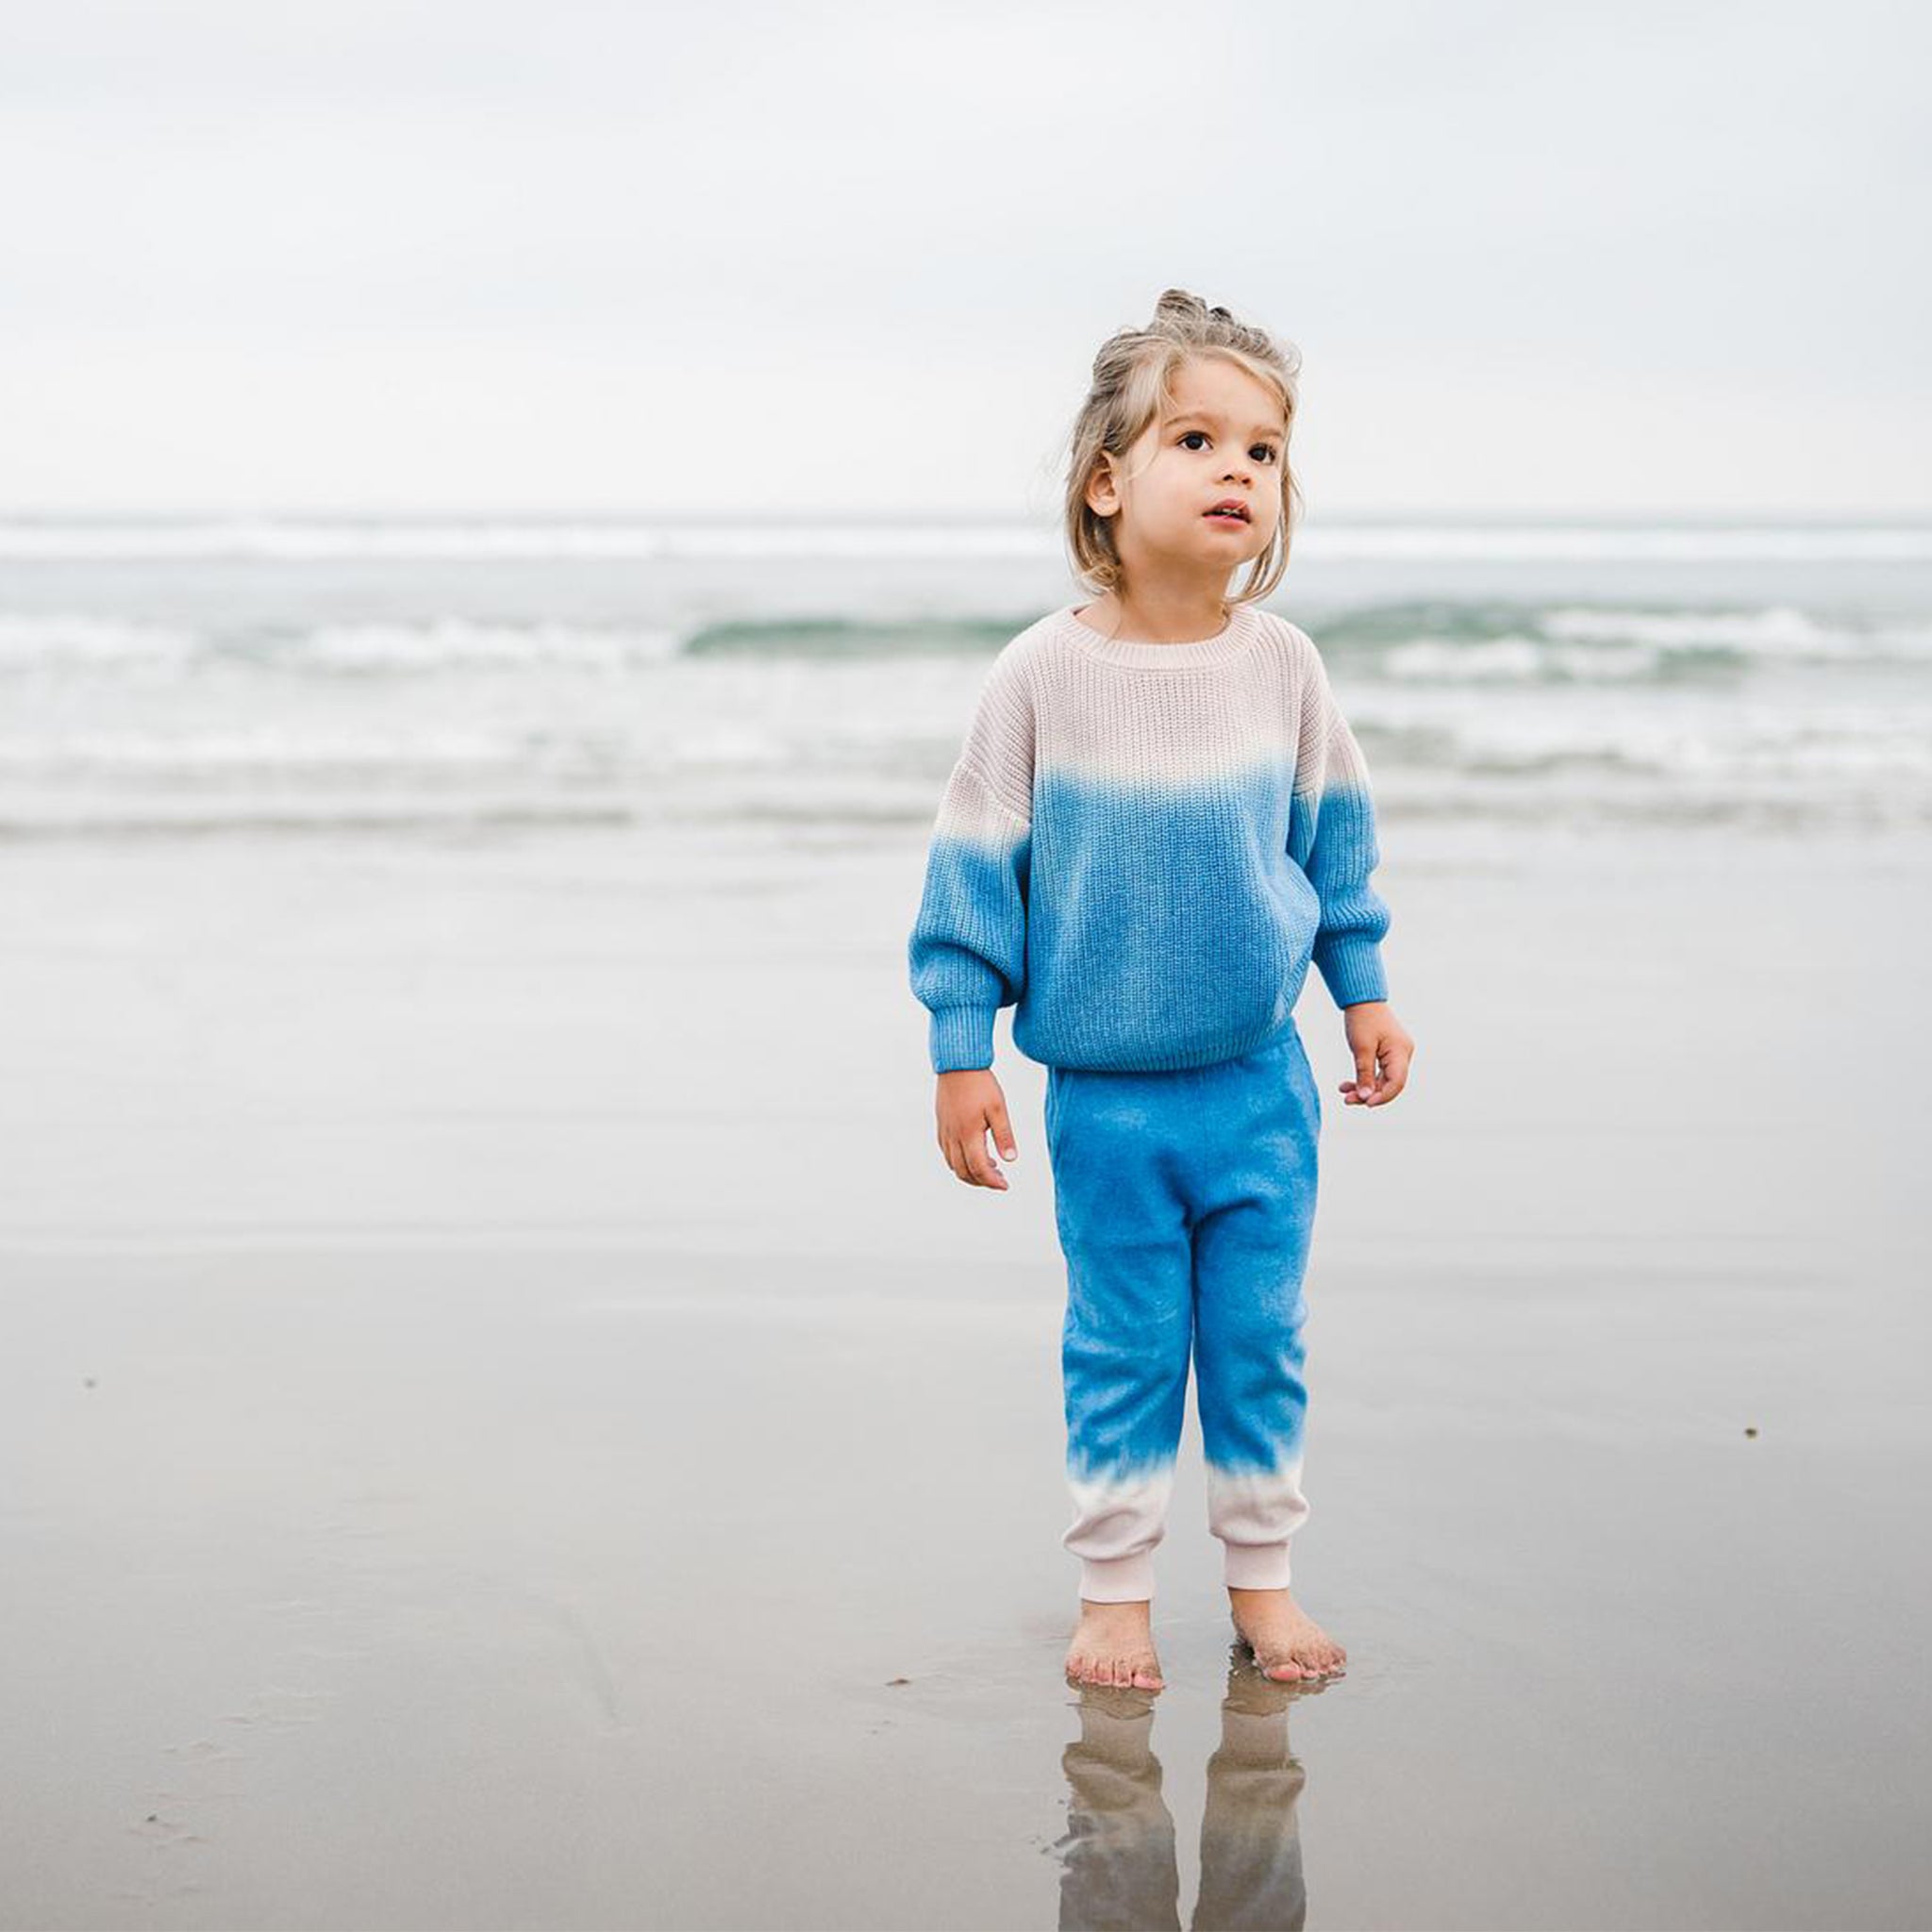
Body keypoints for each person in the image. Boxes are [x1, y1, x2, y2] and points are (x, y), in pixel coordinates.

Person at [907, 288, 1415, 1692]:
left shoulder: (1285, 671)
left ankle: (1263, 1584)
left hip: (1261, 1089)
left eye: (1263, 450)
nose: (1238, 469)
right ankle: (1117, 1592)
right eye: (1198, 438)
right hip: (1110, 1106)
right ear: (1109, 480)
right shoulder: (1041, 675)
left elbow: (1337, 852)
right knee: (1124, 1345)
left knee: (1259, 1343)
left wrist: (1361, 989)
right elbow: (973, 875)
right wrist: (963, 1049)